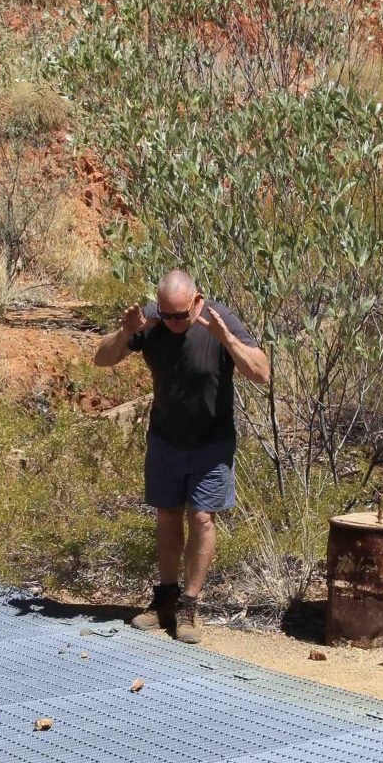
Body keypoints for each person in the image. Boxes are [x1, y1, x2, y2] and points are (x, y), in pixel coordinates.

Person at [92, 268, 269, 644]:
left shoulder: (219, 321)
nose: (171, 322)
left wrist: (227, 341)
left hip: (211, 440)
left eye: (180, 315)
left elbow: (262, 373)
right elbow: (102, 359)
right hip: (166, 440)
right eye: (166, 313)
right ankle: (165, 600)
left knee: (202, 517)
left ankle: (190, 604)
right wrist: (126, 333)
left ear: (197, 302)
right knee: (167, 514)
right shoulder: (149, 319)